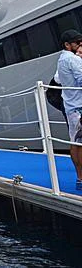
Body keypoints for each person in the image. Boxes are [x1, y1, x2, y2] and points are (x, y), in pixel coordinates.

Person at [55, 29, 82, 190]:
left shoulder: (61, 60)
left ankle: (79, 178)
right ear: (67, 44)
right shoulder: (73, 60)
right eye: (76, 42)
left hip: (70, 107)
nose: (79, 44)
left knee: (75, 142)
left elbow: (58, 79)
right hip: (79, 106)